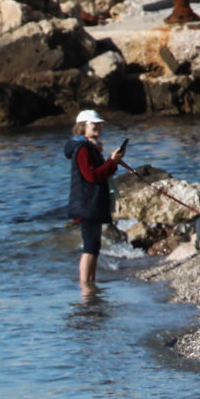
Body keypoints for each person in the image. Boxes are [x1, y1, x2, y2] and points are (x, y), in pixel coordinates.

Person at [64, 109, 125, 292]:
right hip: (87, 203)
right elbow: (92, 176)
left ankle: (90, 284)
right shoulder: (82, 148)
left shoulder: (88, 147)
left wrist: (109, 161)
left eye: (100, 124)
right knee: (90, 245)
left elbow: (97, 173)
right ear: (83, 126)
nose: (99, 126)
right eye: (94, 124)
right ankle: (86, 289)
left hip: (91, 202)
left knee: (94, 245)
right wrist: (112, 162)